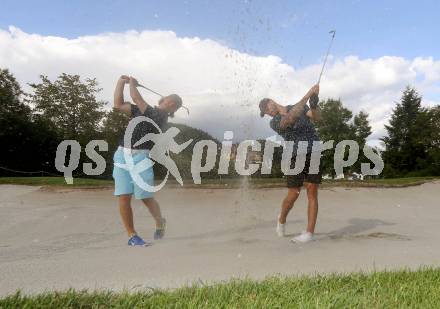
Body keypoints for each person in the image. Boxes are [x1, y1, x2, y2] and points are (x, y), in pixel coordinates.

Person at [113, 75, 183, 246]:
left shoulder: (159, 116)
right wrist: (121, 83)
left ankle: (160, 221)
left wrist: (133, 85)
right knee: (123, 197)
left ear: (171, 104)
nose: (166, 99)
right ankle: (132, 236)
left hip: (141, 157)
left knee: (145, 197)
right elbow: (118, 104)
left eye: (168, 99)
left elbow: (136, 97)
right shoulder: (142, 110)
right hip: (122, 155)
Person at [259, 84, 322, 243]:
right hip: (295, 154)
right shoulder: (274, 122)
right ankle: (281, 219)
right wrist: (308, 94)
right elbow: (290, 119)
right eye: (265, 113)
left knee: (312, 190)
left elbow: (316, 117)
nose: (268, 113)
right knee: (294, 193)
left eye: (267, 108)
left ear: (271, 102)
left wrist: (314, 105)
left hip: (313, 150)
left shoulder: (298, 106)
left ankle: (309, 233)